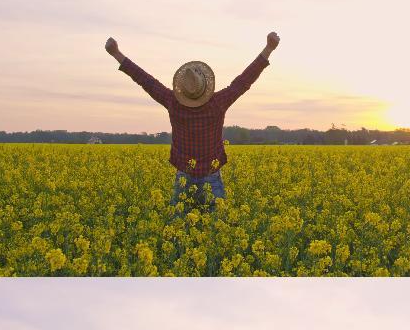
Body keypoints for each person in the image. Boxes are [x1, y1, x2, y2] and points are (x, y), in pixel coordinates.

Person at [104, 32, 279, 211]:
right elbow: (244, 81)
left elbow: (146, 81)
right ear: (205, 86)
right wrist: (269, 48)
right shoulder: (217, 104)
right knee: (214, 234)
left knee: (178, 235)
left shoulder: (173, 103)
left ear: (183, 89)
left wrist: (116, 53)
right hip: (212, 178)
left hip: (184, 178)